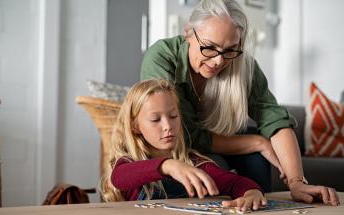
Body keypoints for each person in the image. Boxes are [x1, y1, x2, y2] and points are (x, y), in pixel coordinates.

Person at [140, 0, 339, 206]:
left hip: (218, 140)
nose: (219, 61)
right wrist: (258, 142)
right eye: (209, 47)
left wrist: (296, 182)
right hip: (176, 147)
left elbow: (276, 121)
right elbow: (184, 135)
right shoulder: (161, 57)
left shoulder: (245, 66)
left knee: (255, 159)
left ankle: (260, 206)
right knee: (231, 159)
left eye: (230, 50)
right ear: (188, 32)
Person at [100, 79, 266, 212]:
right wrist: (168, 166)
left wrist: (252, 192)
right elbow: (118, 177)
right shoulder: (128, 164)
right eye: (155, 119)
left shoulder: (194, 163)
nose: (167, 126)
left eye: (173, 116)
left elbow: (234, 182)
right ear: (135, 126)